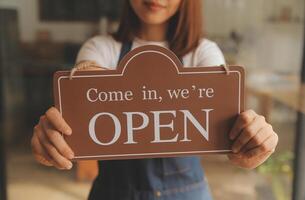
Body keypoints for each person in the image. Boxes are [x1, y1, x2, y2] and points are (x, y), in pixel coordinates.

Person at [31, 0, 279, 199]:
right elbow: (87, 73)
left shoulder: (203, 52)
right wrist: (59, 132)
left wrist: (247, 143)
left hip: (188, 193)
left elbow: (226, 122)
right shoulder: (101, 47)